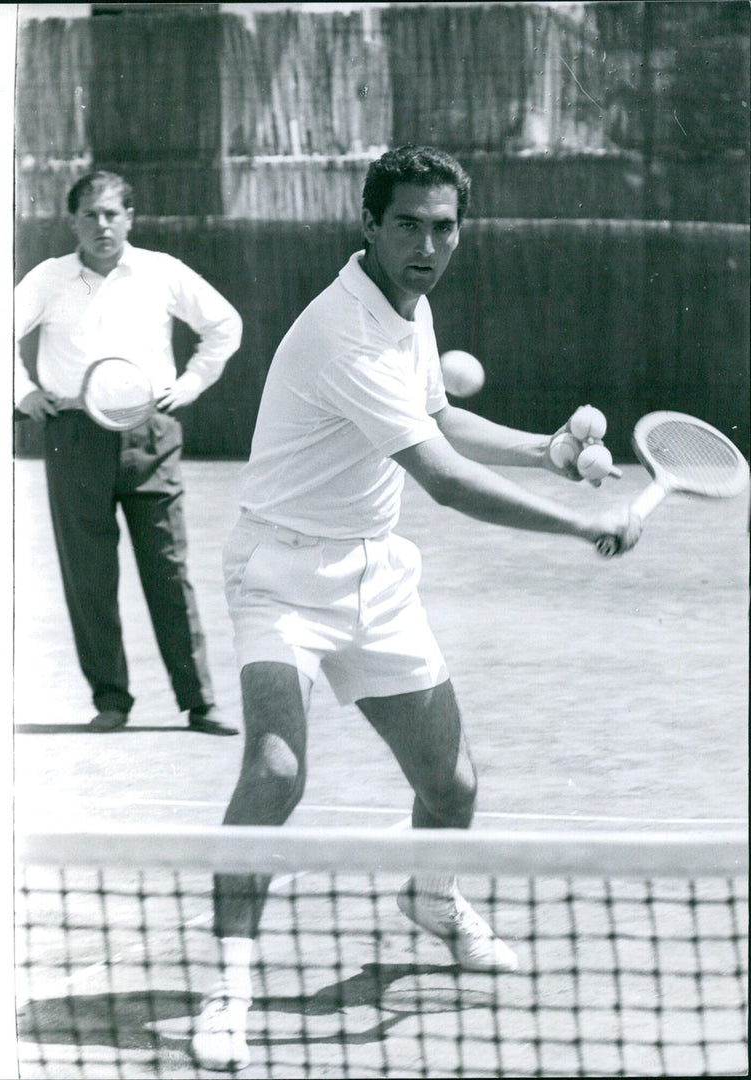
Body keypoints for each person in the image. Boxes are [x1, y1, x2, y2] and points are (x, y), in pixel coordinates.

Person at [191, 145, 642, 1070]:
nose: (428, 244)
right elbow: (442, 479)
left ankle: (431, 897)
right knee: (276, 773)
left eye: (444, 227)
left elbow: (437, 417)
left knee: (453, 788)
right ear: (369, 225)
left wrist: (548, 449)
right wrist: (582, 521)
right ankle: (228, 984)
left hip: (376, 577)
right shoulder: (343, 332)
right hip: (281, 574)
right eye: (408, 225)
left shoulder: (410, 305)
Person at [15, 170, 243, 736]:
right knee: (89, 576)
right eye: (90, 214)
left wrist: (188, 385)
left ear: (130, 219)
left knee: (168, 568)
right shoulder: (48, 279)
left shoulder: (161, 272)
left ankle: (199, 703)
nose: (101, 225)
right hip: (72, 434)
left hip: (151, 436)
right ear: (73, 222)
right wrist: (23, 393)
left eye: (112, 213)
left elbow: (223, 324)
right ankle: (111, 700)